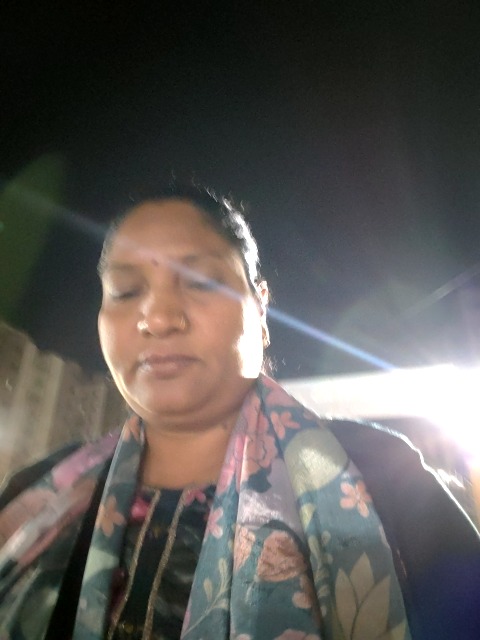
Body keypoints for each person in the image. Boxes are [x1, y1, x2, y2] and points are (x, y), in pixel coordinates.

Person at [0, 184, 479, 640]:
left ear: (261, 309)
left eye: (201, 283)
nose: (159, 318)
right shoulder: (34, 494)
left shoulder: (383, 477)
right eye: (126, 291)